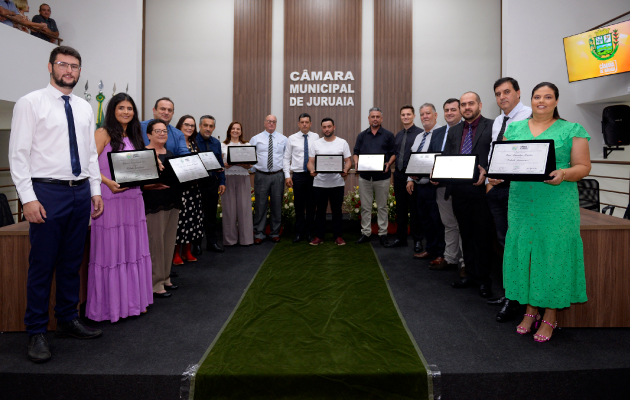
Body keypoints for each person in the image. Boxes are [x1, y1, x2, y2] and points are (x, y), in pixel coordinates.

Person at [9, 46, 103, 363]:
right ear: (50, 67)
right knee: (42, 265)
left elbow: (90, 154)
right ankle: (36, 330)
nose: (69, 70)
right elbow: (18, 155)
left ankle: (66, 319)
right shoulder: (30, 103)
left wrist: (95, 189)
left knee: (70, 262)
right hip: (47, 193)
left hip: (79, 193)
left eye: (74, 66)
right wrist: (28, 198)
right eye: (63, 64)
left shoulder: (84, 108)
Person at [502, 82, 591, 342]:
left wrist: (563, 173)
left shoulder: (572, 129)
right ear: (530, 100)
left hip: (556, 202)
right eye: (537, 96)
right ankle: (530, 310)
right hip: (521, 202)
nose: (541, 100)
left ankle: (550, 314)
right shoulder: (514, 128)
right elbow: (506, 161)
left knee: (553, 255)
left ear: (556, 100)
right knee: (526, 254)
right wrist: (495, 176)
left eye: (548, 97)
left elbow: (584, 166)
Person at [87, 93, 154, 322]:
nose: (126, 112)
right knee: (111, 251)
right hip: (109, 197)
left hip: (133, 197)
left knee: (133, 249)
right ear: (112, 110)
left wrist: (155, 165)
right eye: (121, 108)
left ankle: (134, 301)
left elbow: (141, 165)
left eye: (130, 108)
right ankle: (110, 307)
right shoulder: (102, 133)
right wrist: (107, 183)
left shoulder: (136, 135)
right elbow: (88, 165)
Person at [485, 77, 533, 323]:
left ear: (518, 92)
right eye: (498, 93)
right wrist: (488, 184)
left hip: (519, 190)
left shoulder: (530, 116)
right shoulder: (497, 121)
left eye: (506, 92)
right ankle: (510, 294)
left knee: (520, 244)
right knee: (505, 243)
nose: (502, 97)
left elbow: (526, 153)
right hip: (496, 189)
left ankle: (522, 300)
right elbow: (495, 152)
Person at [439, 92, 495, 298]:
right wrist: (438, 173)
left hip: (481, 189)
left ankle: (484, 279)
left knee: (482, 236)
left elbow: (496, 153)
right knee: (466, 233)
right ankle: (470, 274)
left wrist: (487, 170)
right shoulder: (454, 131)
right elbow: (446, 157)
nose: (467, 107)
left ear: (479, 104)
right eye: (463, 104)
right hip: (459, 190)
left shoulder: (491, 126)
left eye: (471, 103)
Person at [142, 119, 181, 299]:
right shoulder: (143, 153)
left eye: (164, 131)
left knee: (168, 241)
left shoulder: (171, 153)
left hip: (172, 201)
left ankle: (165, 278)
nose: (162, 134)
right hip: (154, 203)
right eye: (157, 131)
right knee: (155, 244)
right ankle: (155, 284)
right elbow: (141, 181)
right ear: (148, 134)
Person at [427, 99, 464, 273]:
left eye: (453, 109)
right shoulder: (438, 132)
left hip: (461, 186)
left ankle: (464, 261)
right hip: (440, 186)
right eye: (446, 110)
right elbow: (431, 157)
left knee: (463, 224)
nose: (449, 113)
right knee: (448, 223)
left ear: (461, 111)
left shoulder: (466, 130)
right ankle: (450, 257)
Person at [406, 103, 445, 265]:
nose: (425, 117)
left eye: (428, 113)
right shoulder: (419, 137)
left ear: (435, 115)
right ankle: (430, 249)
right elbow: (413, 159)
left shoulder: (442, 134)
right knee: (425, 219)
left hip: (434, 185)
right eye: (422, 114)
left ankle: (441, 253)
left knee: (437, 220)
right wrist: (409, 179)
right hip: (419, 185)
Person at [354, 107, 396, 246]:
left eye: (378, 116)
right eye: (372, 116)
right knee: (365, 207)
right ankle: (365, 233)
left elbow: (393, 153)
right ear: (369, 118)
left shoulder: (388, 135)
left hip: (382, 177)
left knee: (382, 206)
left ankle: (382, 234)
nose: (375, 119)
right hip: (365, 177)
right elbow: (356, 152)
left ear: (381, 118)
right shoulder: (362, 135)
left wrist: (389, 163)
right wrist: (356, 163)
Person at [307, 118, 352, 246]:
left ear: (334, 127)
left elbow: (348, 160)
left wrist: (346, 169)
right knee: (320, 211)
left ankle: (338, 236)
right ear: (322, 128)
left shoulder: (342, 143)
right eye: (324, 127)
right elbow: (310, 162)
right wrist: (311, 170)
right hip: (319, 183)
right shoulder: (316, 143)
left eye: (329, 126)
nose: (327, 129)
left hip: (337, 183)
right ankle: (319, 236)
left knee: (337, 211)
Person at [386, 104, 423, 252]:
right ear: (400, 117)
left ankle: (417, 240)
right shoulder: (399, 135)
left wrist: (412, 178)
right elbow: (396, 153)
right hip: (399, 175)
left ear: (413, 116)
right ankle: (400, 238)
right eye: (403, 115)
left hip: (413, 177)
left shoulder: (420, 134)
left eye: (408, 114)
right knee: (400, 209)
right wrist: (389, 163)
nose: (405, 117)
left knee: (414, 210)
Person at [172, 115, 204, 265]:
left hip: (194, 188)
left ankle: (187, 251)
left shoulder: (194, 143)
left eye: (192, 125)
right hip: (180, 189)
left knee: (193, 220)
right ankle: (175, 253)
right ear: (179, 126)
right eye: (186, 124)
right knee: (180, 221)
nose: (190, 128)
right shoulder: (174, 143)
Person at [250, 115, 287, 244]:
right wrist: (254, 169)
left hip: (278, 175)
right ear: (264, 123)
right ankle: (259, 233)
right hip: (261, 175)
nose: (271, 123)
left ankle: (275, 232)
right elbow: (250, 156)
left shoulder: (283, 139)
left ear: (276, 124)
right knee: (260, 205)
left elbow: (286, 158)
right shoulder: (256, 139)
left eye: (274, 122)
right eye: (269, 121)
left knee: (277, 205)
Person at [283, 113, 319, 243]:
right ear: (298, 124)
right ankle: (298, 233)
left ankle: (310, 233)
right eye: (302, 122)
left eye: (307, 122)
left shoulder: (316, 137)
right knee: (299, 206)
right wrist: (287, 176)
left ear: (310, 124)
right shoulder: (291, 138)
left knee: (311, 206)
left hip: (313, 176)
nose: (304, 124)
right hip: (298, 176)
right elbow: (286, 158)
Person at [195, 115, 226, 254]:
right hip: (196, 183)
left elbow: (220, 163)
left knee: (211, 215)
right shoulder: (192, 141)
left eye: (211, 126)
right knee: (196, 215)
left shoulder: (216, 143)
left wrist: (222, 181)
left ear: (213, 128)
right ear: (200, 126)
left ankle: (212, 243)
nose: (208, 129)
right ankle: (196, 244)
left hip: (212, 182)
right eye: (205, 125)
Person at [221, 121, 254, 246]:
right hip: (228, 178)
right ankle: (230, 240)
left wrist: (245, 164)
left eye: (238, 129)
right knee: (229, 209)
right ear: (229, 131)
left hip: (243, 178)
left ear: (241, 131)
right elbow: (219, 164)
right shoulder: (222, 145)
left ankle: (246, 239)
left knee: (244, 209)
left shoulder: (247, 145)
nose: (235, 131)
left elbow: (250, 165)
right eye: (233, 128)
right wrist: (225, 165)